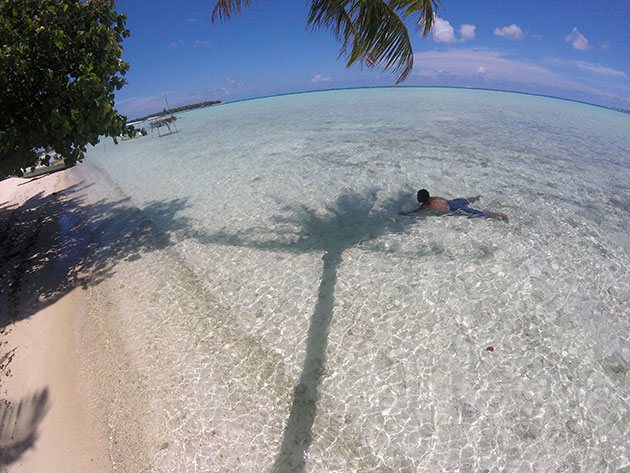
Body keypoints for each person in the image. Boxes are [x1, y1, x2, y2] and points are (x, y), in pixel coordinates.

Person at [416, 188, 508, 221]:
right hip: (452, 202)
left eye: (418, 196)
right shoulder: (433, 198)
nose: (417, 197)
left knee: (479, 214)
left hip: (454, 209)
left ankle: (500, 215)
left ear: (422, 198)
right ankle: (476, 198)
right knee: (466, 200)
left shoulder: (426, 205)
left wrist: (403, 214)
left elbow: (415, 213)